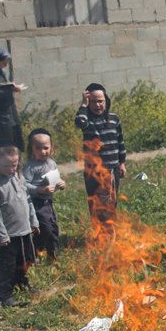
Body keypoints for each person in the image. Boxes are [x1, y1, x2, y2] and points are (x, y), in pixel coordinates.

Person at [0, 145, 39, 307]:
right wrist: (1, 236)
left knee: (24, 261)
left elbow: (28, 201)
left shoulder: (19, 178)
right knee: (6, 266)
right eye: (6, 166)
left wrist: (33, 221)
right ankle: (3, 294)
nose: (11, 169)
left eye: (14, 165)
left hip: (24, 232)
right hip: (7, 237)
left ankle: (21, 282)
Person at [75, 83, 126, 225]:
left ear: (106, 101)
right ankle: (98, 230)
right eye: (93, 101)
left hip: (112, 169)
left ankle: (110, 229)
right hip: (93, 171)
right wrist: (83, 105)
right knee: (95, 202)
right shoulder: (87, 121)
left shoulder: (113, 118)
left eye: (100, 101)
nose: (97, 105)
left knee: (110, 201)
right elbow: (79, 122)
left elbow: (120, 142)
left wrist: (122, 163)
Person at [22, 128, 65, 259]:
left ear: (51, 147)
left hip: (48, 202)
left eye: (46, 148)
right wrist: (40, 190)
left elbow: (56, 178)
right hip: (36, 203)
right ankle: (35, 250)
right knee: (45, 227)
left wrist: (61, 183)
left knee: (53, 228)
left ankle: (54, 254)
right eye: (38, 148)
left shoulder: (52, 163)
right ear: (31, 149)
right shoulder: (30, 167)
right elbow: (23, 185)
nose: (43, 151)